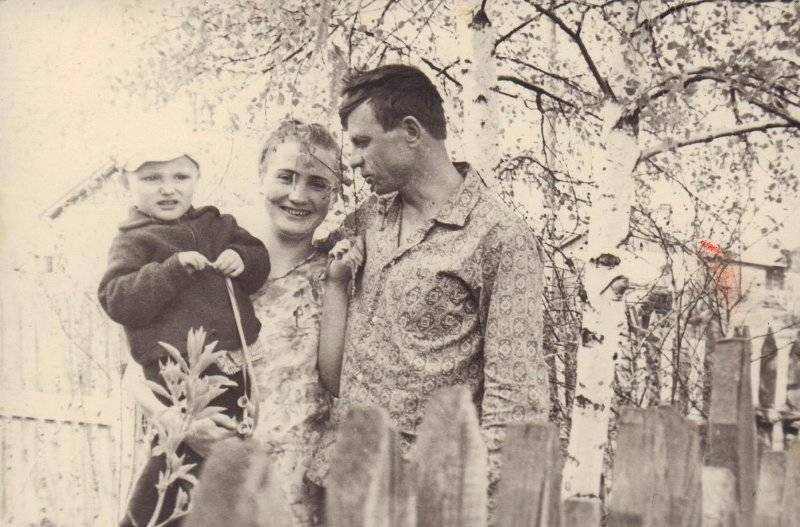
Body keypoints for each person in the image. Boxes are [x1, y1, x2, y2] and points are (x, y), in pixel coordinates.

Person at [312, 64, 550, 513]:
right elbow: (300, 261)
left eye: (363, 142)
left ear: (410, 132)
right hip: (342, 479)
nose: (355, 160)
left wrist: (482, 507)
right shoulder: (368, 218)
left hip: (426, 496)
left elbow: (516, 397)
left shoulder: (499, 237)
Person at [98, 149, 270, 527]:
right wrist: (169, 271)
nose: (167, 189)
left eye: (180, 177)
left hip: (234, 375)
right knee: (173, 466)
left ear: (196, 177)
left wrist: (241, 258)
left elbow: (259, 260)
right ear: (128, 183)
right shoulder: (134, 241)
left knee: (223, 479)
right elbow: (116, 299)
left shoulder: (218, 225)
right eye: (152, 178)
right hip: (175, 380)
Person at [247, 119, 360, 526]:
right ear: (262, 174)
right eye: (286, 177)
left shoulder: (334, 275)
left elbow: (335, 379)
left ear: (333, 194)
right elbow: (143, 370)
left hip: (300, 491)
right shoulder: (221, 264)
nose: (298, 195)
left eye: (317, 183)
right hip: (221, 477)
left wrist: (336, 285)